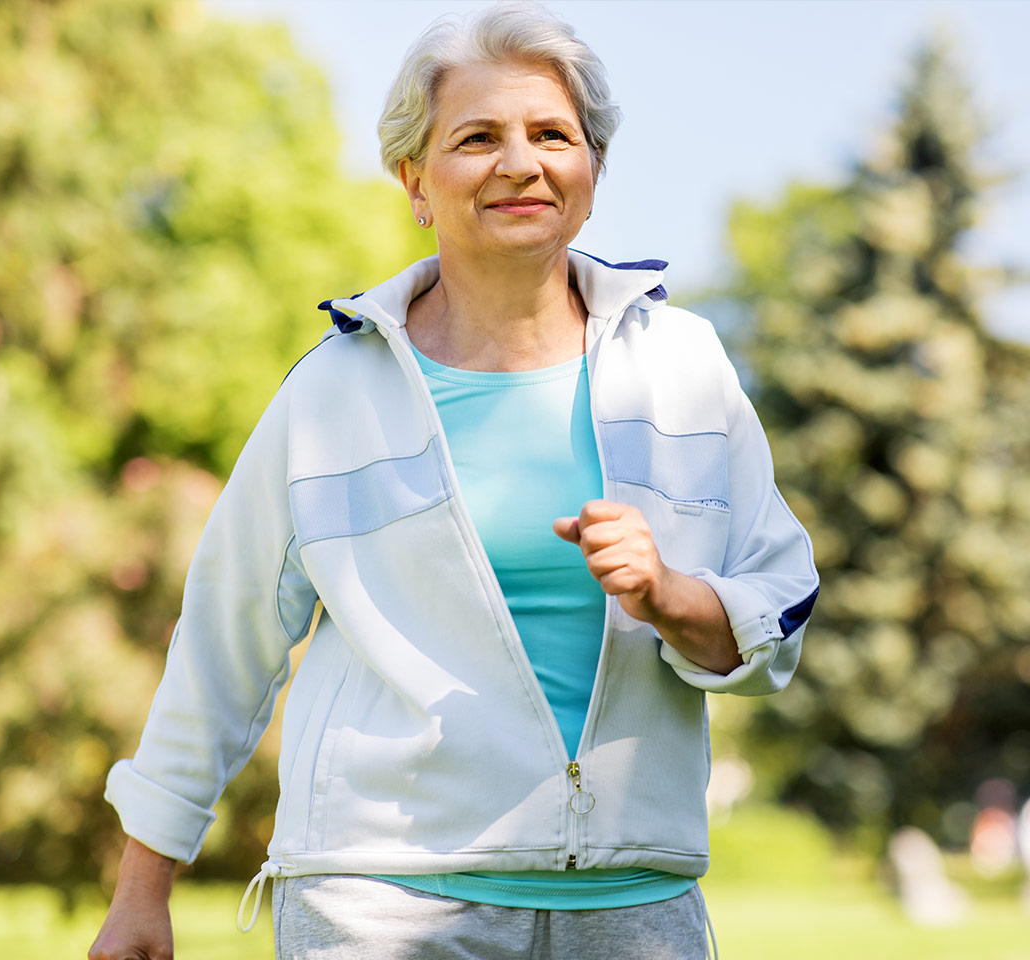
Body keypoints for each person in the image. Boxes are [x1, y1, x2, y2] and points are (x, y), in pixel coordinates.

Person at [89, 3, 818, 958]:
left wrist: (669, 594)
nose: (520, 163)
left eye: (551, 135)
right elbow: (223, 643)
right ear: (416, 182)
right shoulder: (333, 393)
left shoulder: (685, 367)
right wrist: (143, 889)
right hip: (380, 901)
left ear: (591, 174)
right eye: (477, 139)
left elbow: (775, 611)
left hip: (634, 904)